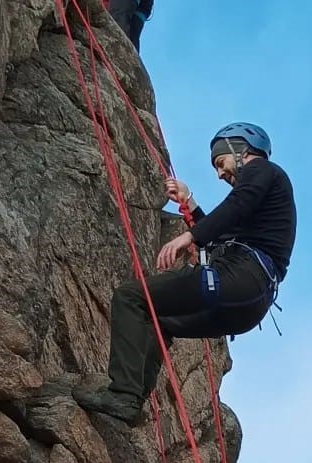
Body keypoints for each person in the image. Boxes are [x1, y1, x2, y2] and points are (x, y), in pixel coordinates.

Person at [73, 122, 297, 424]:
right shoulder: (262, 204)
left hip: (240, 280)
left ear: (239, 148)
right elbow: (225, 231)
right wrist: (189, 203)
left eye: (220, 163)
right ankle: (130, 400)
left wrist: (189, 237)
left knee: (131, 296)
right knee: (160, 321)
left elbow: (235, 206)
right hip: (246, 302)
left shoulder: (264, 171)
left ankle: (122, 393)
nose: (220, 174)